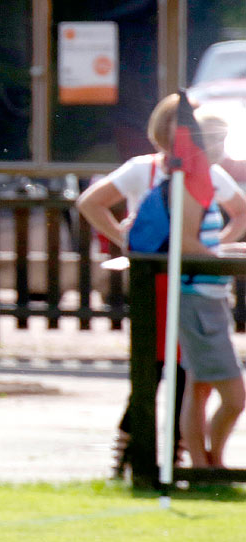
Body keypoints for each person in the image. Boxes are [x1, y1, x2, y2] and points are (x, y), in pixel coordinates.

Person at [78, 93, 246, 470]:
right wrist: (129, 244)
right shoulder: (146, 169)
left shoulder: (207, 174)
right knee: (153, 368)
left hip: (190, 279)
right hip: (155, 282)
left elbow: (238, 213)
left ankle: (178, 455)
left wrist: (217, 247)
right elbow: (91, 202)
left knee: (188, 373)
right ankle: (130, 453)